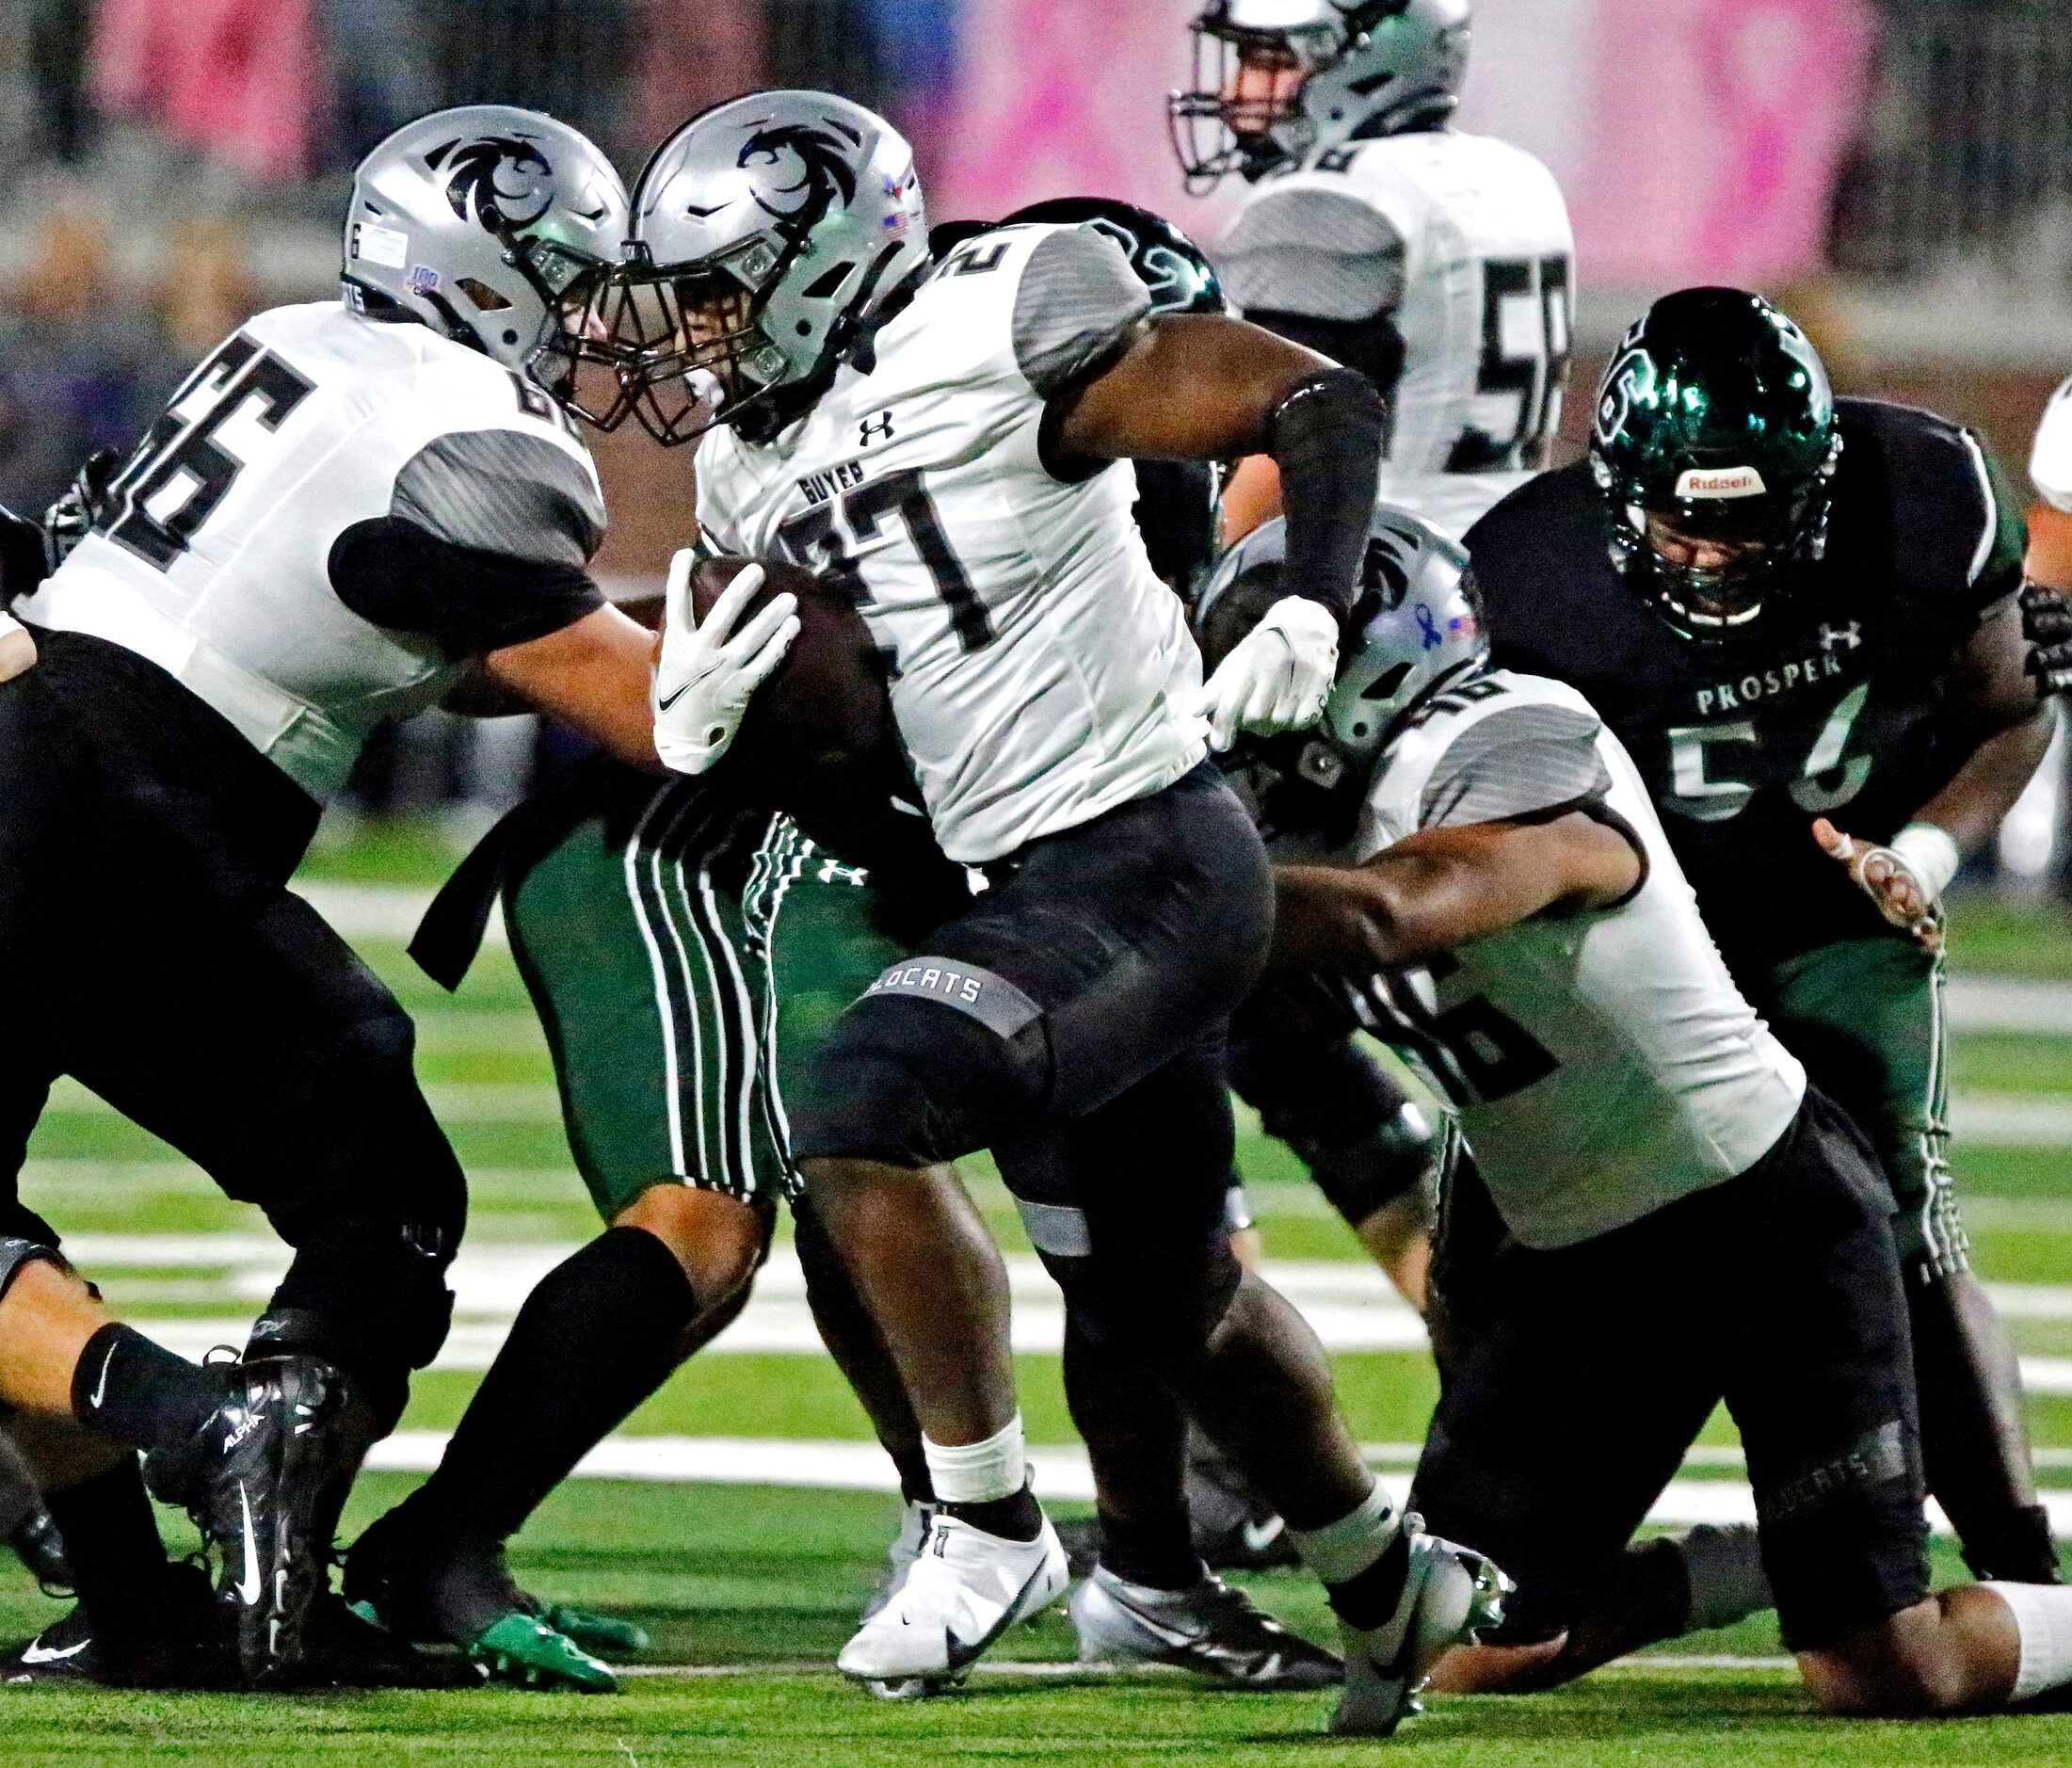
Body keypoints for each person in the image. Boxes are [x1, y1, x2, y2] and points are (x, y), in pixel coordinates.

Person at [348, 195, 1339, 1696]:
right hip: (701, 835)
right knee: (764, 1191)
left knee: (1126, 1225)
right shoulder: (913, 423)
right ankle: (928, 1515)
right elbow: (722, 685)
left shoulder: (1100, 481)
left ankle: (1143, 1562)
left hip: (944, 836)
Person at [602, 91, 1502, 1732]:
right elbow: (875, 754)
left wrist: (1309, 592)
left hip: (1151, 849)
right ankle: (1388, 1572)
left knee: (864, 1105)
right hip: (1016, 878)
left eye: (721, 288)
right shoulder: (747, 462)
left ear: (818, 259)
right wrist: (725, 740)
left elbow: (1316, 396)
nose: (699, 333)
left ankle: (986, 1519)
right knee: (1171, 1299)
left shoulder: (998, 310)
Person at [1206, 504, 2072, 1717]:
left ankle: (1899, 1592)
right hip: (1586, 1264)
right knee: (1464, 1644)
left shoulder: (1512, 732)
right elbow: (1278, 1007)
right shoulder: (1289, 815)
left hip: (1763, 1219)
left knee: (1883, 1671)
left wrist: (1156, 891)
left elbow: (1391, 912)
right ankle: (1758, 1562)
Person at [0, 104, 661, 1683]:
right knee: (383, 1191)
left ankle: (186, 1590)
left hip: (70, 753)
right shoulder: (474, 435)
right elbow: (653, 710)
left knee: (362, 1177)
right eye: (564, 278)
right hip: (124, 806)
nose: (581, 317)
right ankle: (216, 1447)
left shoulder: (291, 341)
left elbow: (412, 634)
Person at [1466, 286, 2060, 1590]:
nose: (1718, 554)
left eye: (1751, 519)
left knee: (1906, 1221)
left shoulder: (1922, 494)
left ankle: (2018, 1556)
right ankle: (1508, 1537)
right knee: (1510, 1234)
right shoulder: (1522, 574)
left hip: (1842, 912)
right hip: (1632, 940)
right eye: (1688, 518)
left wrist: (1930, 849)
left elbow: (2010, 709)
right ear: (1618, 481)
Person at [1170, 0, 1573, 544]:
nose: (1234, 94)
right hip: (1516, 549)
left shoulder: (1331, 198)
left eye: (1269, 63)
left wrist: (1200, 583)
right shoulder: (1518, 177)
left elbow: (1286, 436)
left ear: (1366, 63)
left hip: (1384, 573)